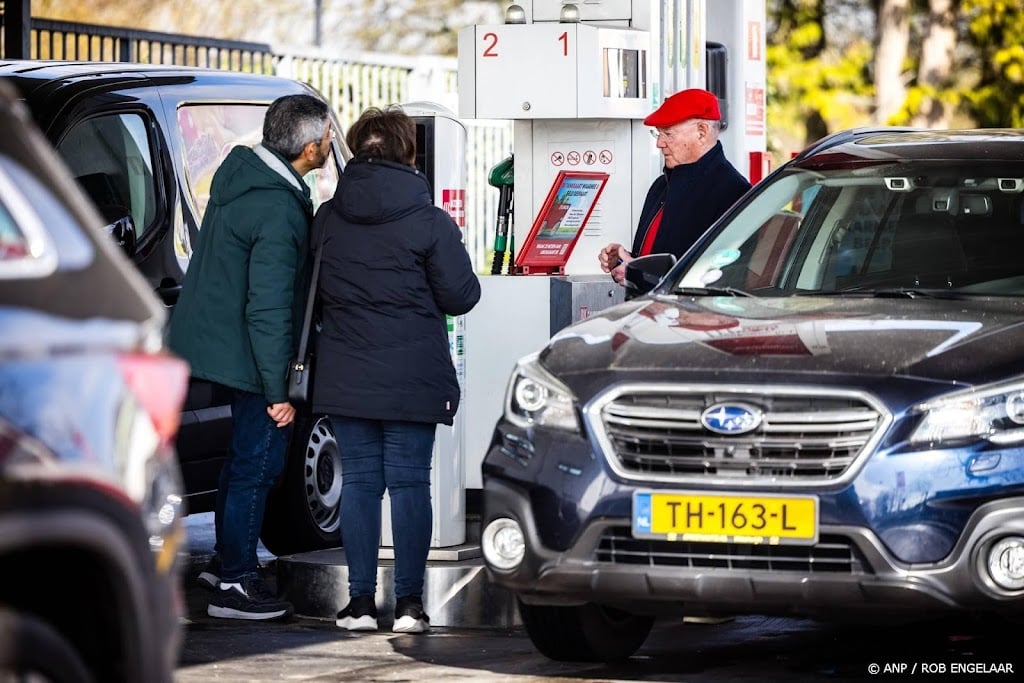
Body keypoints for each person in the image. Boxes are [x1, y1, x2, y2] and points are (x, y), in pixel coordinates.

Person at [310, 105, 481, 634]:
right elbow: (461, 295)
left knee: (359, 483)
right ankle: (409, 605)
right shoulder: (430, 221)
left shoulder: (327, 218)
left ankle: (359, 604)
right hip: (412, 373)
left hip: (346, 371)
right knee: (409, 484)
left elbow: (312, 297)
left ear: (357, 152)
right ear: (409, 153)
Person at [167, 94, 334, 621]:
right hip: (247, 353)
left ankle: (225, 563)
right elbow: (268, 309)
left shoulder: (242, 177)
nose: (331, 142)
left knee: (240, 461)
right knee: (258, 464)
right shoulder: (279, 209)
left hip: (213, 343)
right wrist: (277, 391)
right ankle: (235, 585)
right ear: (310, 147)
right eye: (329, 136)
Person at [598, 88, 751, 284]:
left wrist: (637, 273)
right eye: (658, 133)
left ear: (701, 132)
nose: (659, 143)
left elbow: (719, 278)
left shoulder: (734, 194)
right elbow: (661, 261)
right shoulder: (661, 186)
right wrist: (626, 260)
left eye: (668, 134)